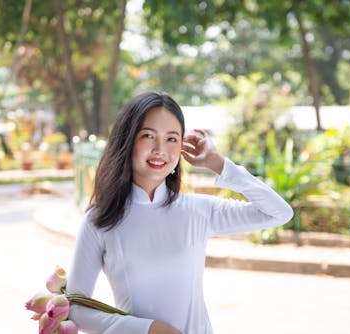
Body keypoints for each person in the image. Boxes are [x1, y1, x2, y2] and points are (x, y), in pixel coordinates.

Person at [67, 91, 293, 334]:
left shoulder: (198, 211)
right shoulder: (100, 220)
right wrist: (148, 330)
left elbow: (278, 213)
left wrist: (218, 163)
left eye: (172, 139)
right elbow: (76, 306)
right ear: (127, 140)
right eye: (148, 136)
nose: (160, 149)